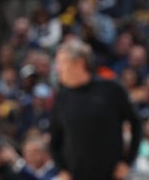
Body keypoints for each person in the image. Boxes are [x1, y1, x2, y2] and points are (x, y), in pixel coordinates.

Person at [50, 38, 141, 180]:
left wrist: (127, 162)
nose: (57, 68)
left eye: (61, 62)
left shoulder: (111, 89)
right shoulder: (61, 98)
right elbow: (54, 141)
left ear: (79, 63)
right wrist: (62, 170)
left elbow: (136, 123)